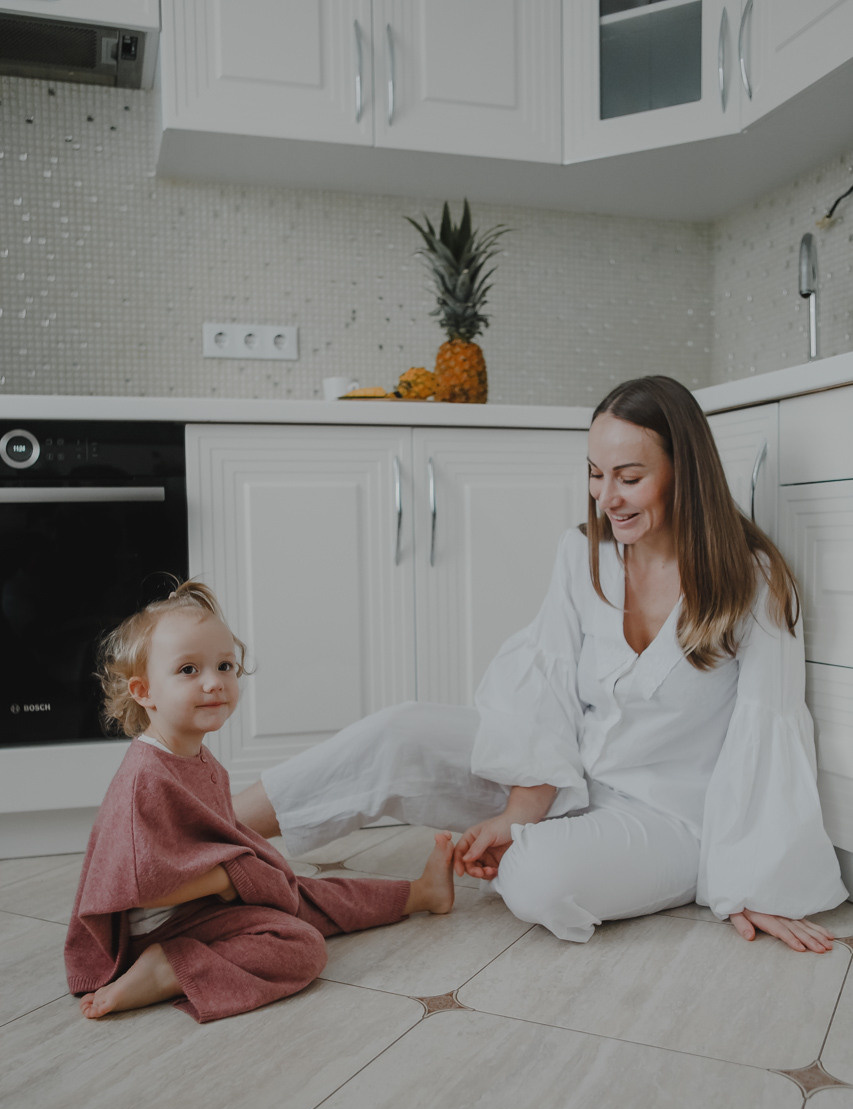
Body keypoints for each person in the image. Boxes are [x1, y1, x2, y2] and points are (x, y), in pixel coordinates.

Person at [234, 375, 849, 955]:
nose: (605, 497)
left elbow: (765, 737)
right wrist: (522, 809)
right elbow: (546, 684)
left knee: (538, 877)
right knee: (401, 732)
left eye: (628, 478)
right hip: (562, 773)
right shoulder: (584, 554)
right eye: (595, 474)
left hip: (665, 819)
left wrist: (752, 878)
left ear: (684, 473)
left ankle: (553, 851)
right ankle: (200, 834)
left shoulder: (755, 584)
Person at [65, 581, 455, 1023]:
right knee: (300, 945)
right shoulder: (145, 779)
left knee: (305, 891)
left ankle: (419, 895)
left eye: (225, 665)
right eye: (188, 670)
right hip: (158, 926)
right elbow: (140, 887)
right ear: (144, 691)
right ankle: (166, 970)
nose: (214, 682)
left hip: (201, 902)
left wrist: (245, 877)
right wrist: (230, 880)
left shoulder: (193, 755)